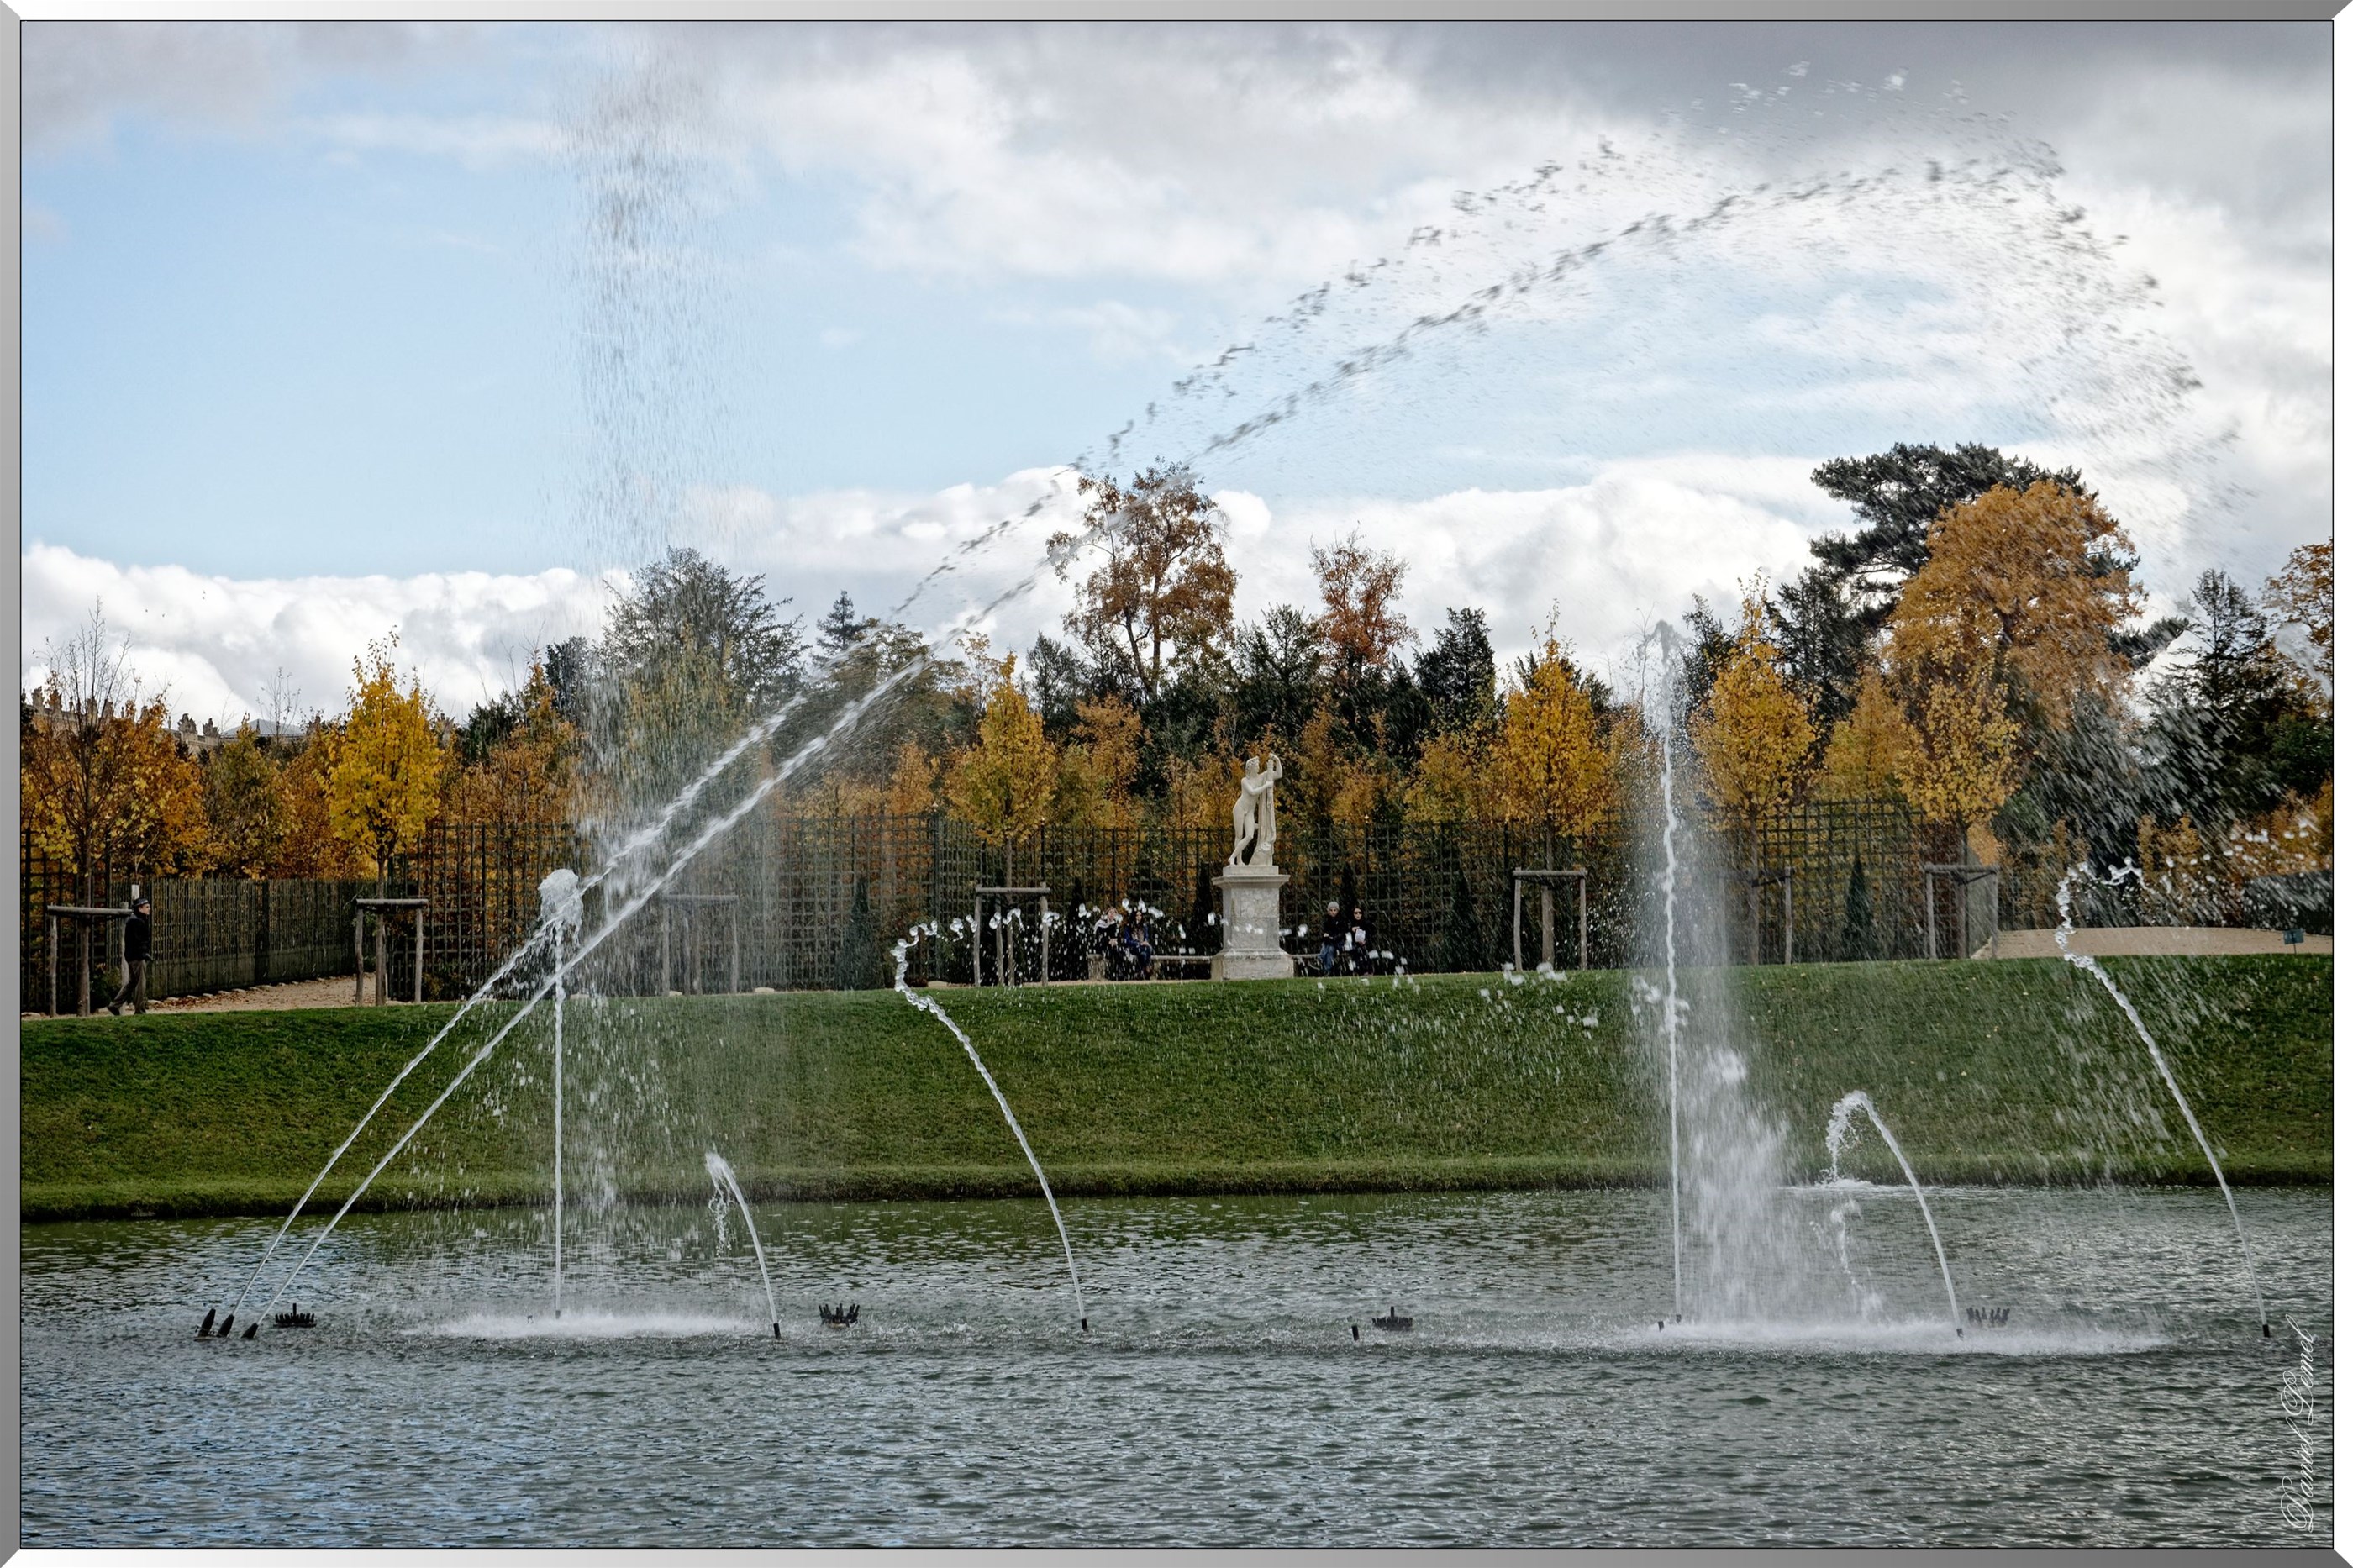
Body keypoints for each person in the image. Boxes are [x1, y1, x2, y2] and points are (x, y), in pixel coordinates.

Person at [107, 895, 152, 1016]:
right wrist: (144, 954)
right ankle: (140, 1010)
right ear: (140, 908)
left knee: (131, 983)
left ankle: (115, 1004)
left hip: (132, 956)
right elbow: (139, 941)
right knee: (141, 983)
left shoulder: (135, 920)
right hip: (137, 957)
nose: (149, 909)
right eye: (147, 907)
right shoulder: (137, 921)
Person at [1319, 901, 1345, 976]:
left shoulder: (1340, 920)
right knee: (1326, 946)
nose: (1333, 912)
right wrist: (1325, 936)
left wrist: (1334, 937)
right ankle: (1322, 962)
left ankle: (1327, 967)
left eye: (1335, 910)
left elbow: (1342, 933)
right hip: (1329, 941)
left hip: (1338, 942)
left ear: (1338, 911)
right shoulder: (1327, 920)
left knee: (1330, 950)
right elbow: (1324, 931)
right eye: (1331, 910)